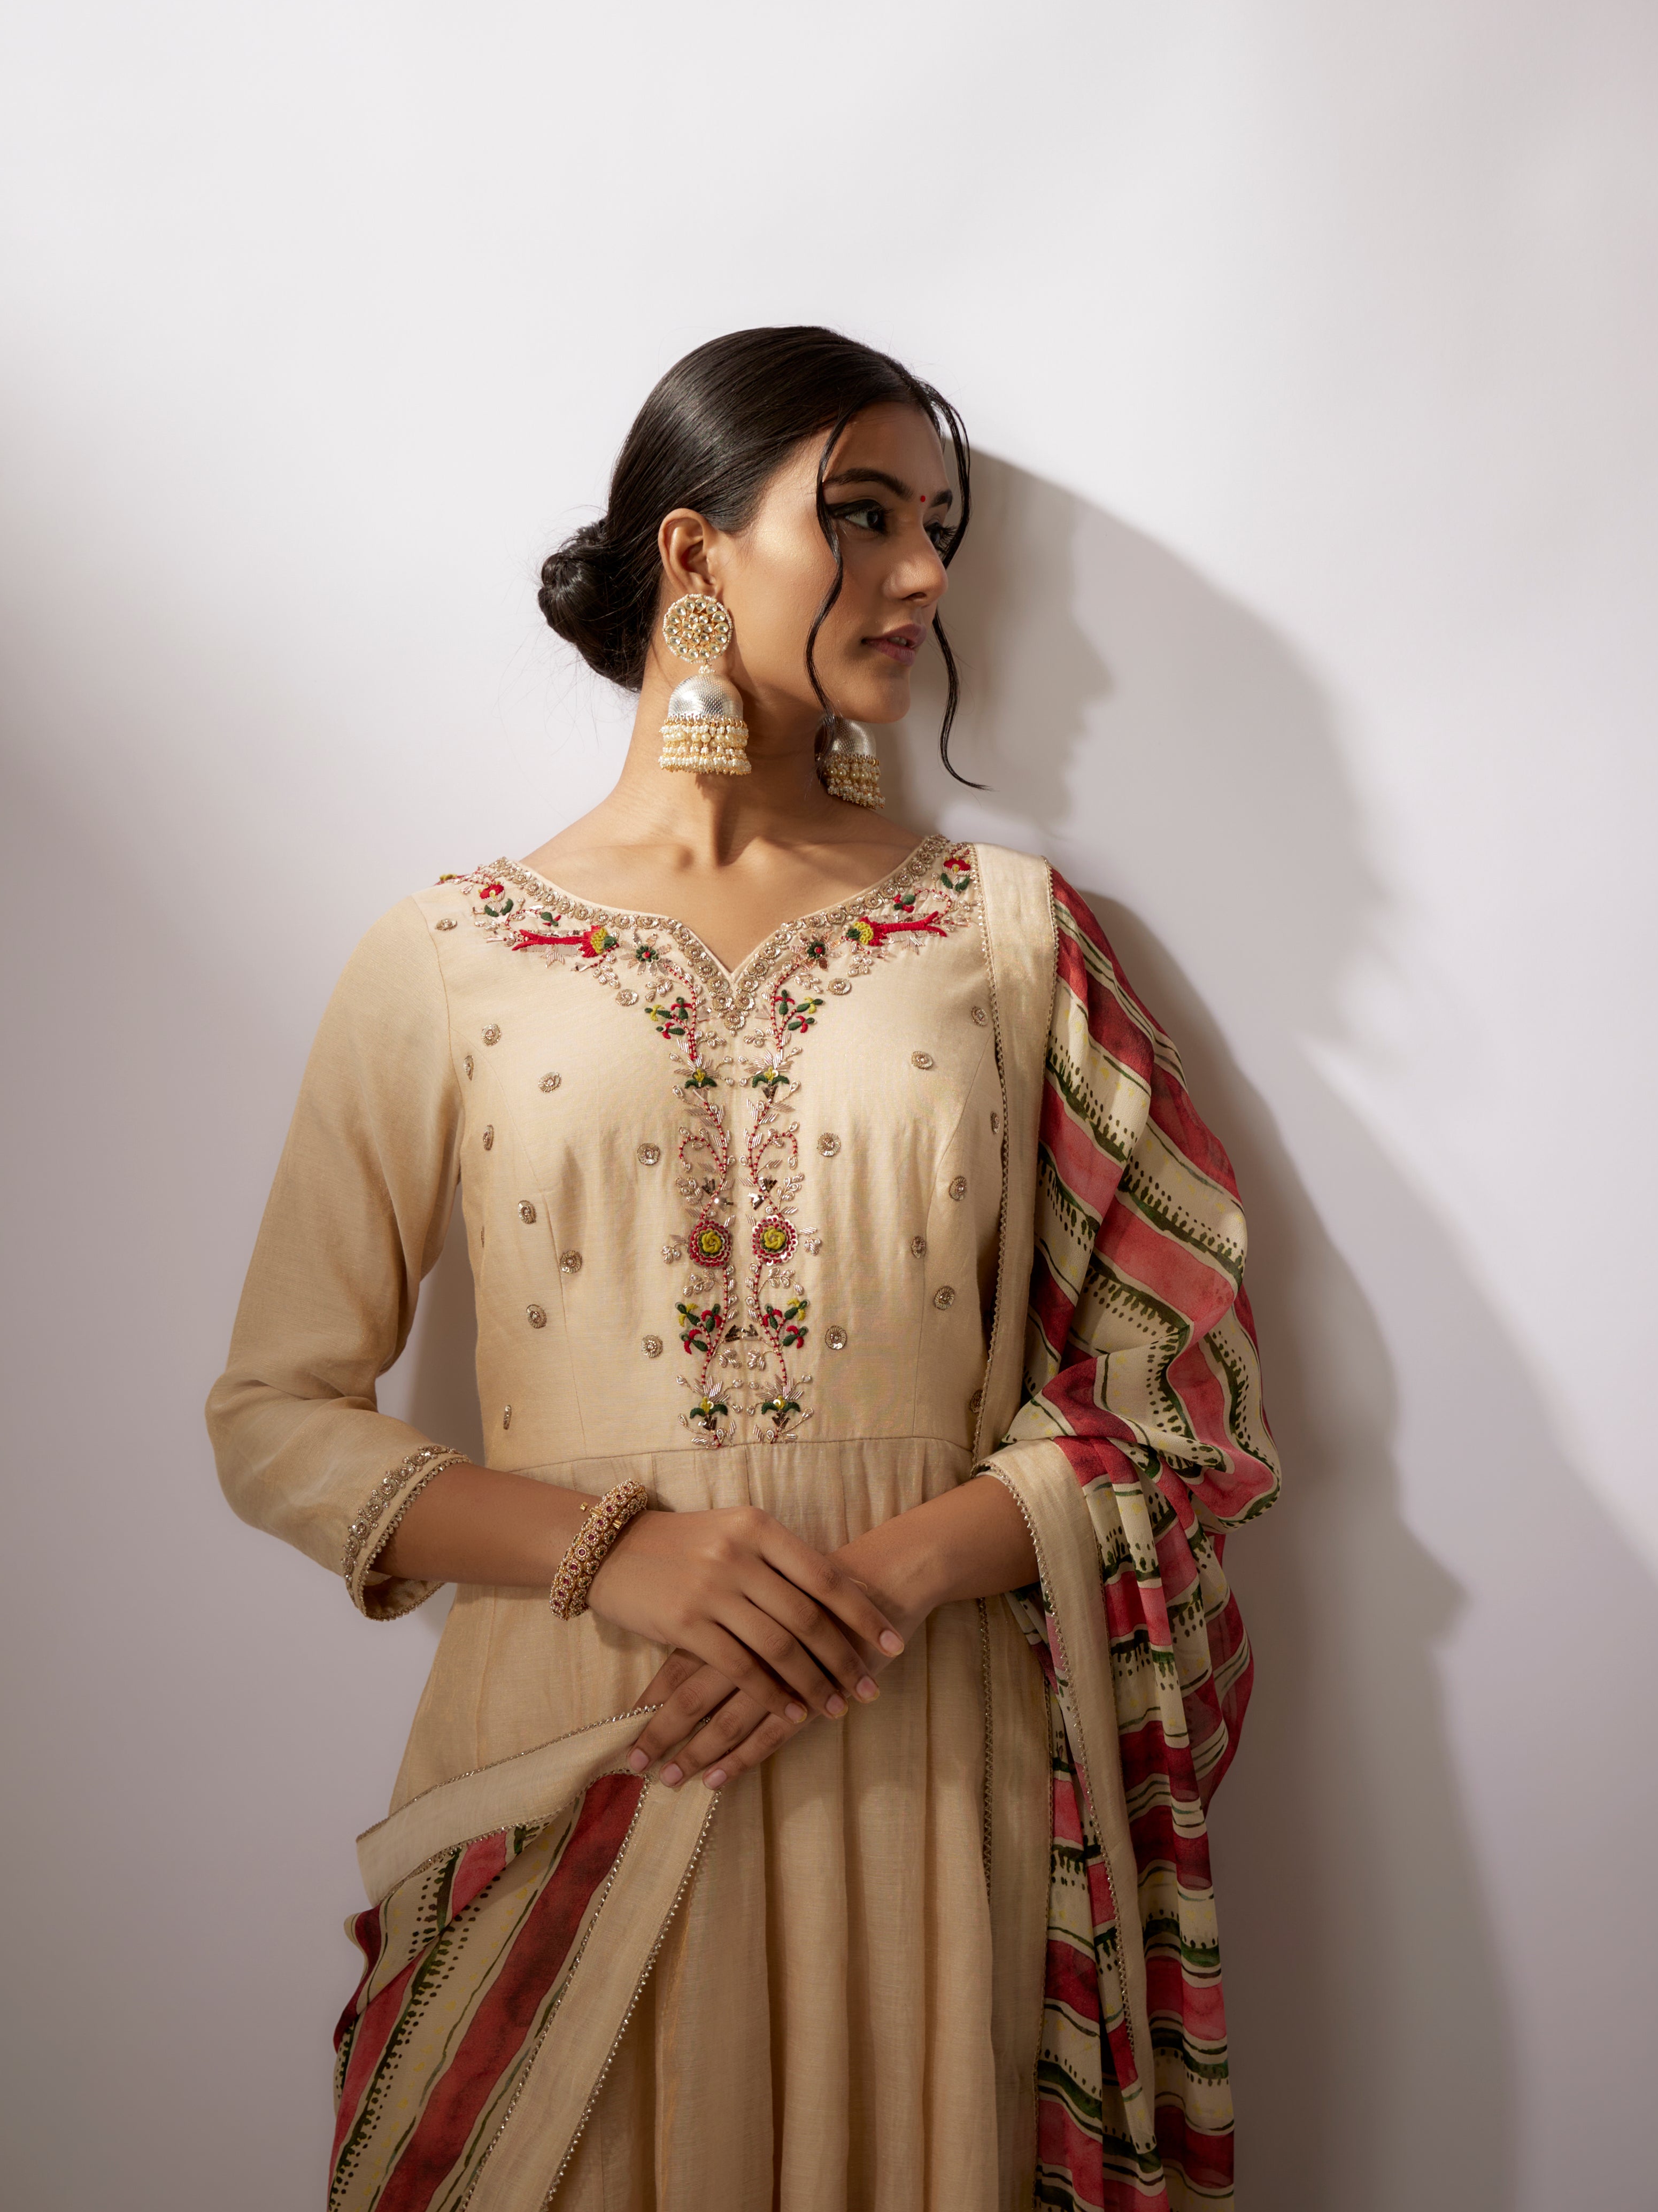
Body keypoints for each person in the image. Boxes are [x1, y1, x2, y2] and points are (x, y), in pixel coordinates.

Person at [206, 326, 1280, 2212]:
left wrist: (883, 1578)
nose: (925, 572)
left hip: (921, 1744)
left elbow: (1180, 1400)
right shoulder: (450, 955)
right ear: (695, 554)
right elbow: (274, 1416)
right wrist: (617, 1550)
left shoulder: (1010, 937)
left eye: (937, 525)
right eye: (861, 515)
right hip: (585, 1735)